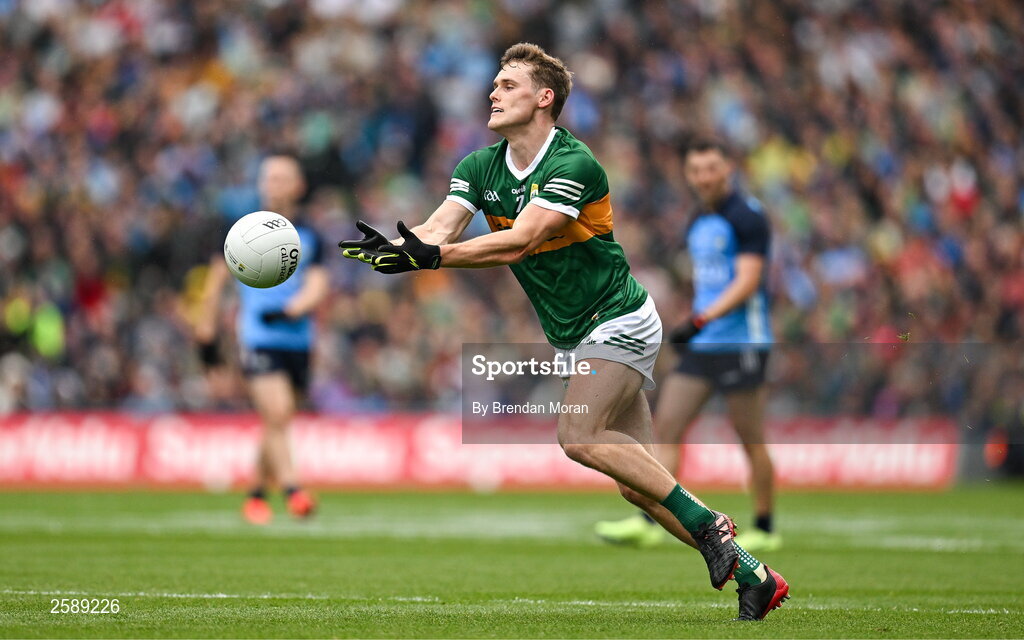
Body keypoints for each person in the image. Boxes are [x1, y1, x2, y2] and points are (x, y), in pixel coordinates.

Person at [339, 43, 789, 621]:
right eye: (495, 85)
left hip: (619, 317)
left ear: (544, 98)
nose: (493, 93)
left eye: (507, 85)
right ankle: (756, 575)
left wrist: (433, 257)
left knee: (578, 435)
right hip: (576, 332)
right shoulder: (479, 166)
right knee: (638, 487)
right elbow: (437, 226)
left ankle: (711, 525)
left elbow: (522, 239)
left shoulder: (573, 164)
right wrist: (402, 247)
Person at [595, 138, 781, 552]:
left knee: (750, 436)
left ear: (727, 169)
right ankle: (647, 518)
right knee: (670, 426)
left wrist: (700, 320)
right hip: (702, 342)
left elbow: (749, 281)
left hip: (741, 342)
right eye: (696, 170)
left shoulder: (747, 217)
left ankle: (766, 527)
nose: (703, 177)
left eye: (711, 168)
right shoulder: (698, 219)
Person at [195, 153, 329, 525]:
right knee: (279, 412)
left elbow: (319, 283)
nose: (274, 185)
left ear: (298, 186)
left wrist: (296, 308)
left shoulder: (312, 235)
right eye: (268, 178)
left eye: (282, 178)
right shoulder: (242, 230)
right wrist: (206, 332)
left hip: (299, 341)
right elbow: (215, 281)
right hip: (258, 336)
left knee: (277, 422)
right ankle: (293, 489)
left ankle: (255, 495)